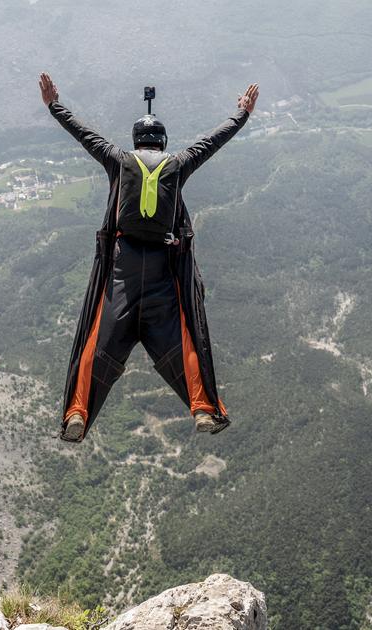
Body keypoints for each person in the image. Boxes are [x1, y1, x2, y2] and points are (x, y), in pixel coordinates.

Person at [38, 72, 259, 442]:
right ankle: (203, 408)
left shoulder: (119, 160)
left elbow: (84, 134)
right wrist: (242, 113)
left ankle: (78, 412)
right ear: (162, 142)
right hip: (161, 270)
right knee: (184, 338)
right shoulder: (178, 163)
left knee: (97, 339)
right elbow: (212, 141)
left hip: (122, 270)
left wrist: (54, 105)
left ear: (137, 140)